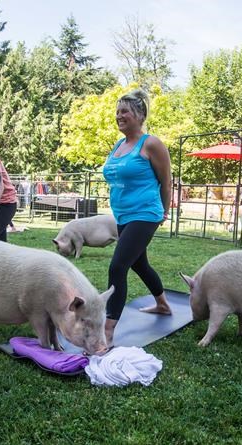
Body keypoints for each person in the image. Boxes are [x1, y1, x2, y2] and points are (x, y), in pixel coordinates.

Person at [101, 89, 172, 348]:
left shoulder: (151, 144)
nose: (119, 116)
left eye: (125, 112)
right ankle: (163, 304)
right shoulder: (119, 145)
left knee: (118, 267)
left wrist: (164, 211)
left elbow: (166, 181)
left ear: (140, 116)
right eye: (117, 112)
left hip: (145, 213)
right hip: (123, 215)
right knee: (139, 264)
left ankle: (107, 331)